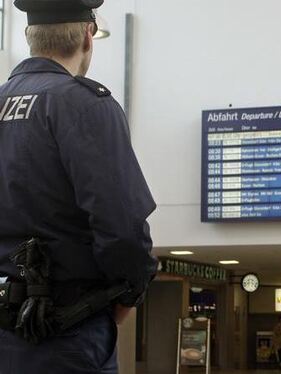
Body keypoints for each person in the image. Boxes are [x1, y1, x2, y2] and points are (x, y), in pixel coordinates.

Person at [0, 0, 157, 373]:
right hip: (67, 333)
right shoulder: (84, 105)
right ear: (88, 36)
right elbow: (123, 229)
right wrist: (128, 293)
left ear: (29, 36)